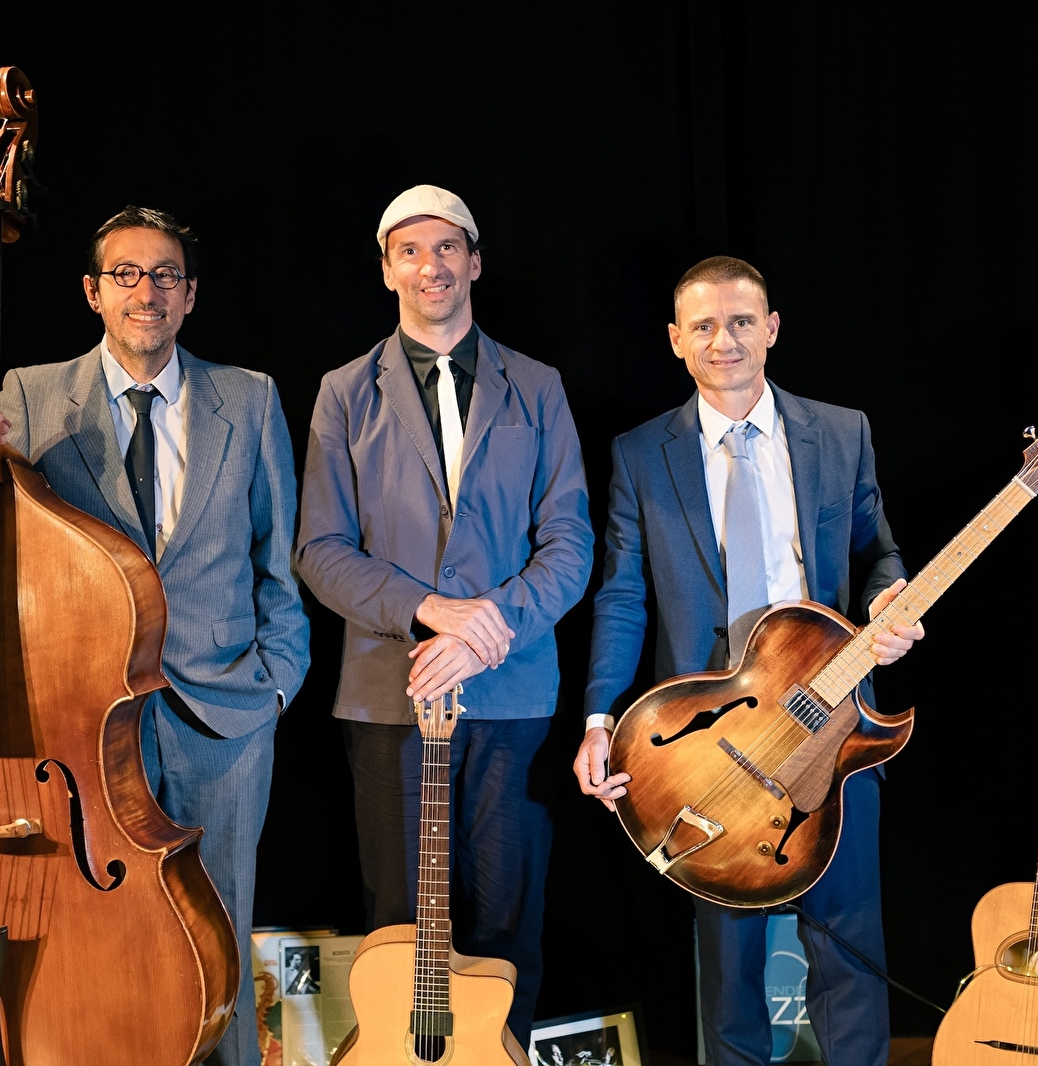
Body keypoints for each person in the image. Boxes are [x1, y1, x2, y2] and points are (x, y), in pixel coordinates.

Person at [0, 205, 310, 1066]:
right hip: (84, 725)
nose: (146, 292)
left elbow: (278, 561)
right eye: (126, 274)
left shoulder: (250, 397)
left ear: (190, 294)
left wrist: (276, 687)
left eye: (165, 275)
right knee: (98, 938)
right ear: (93, 292)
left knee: (219, 938)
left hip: (225, 722)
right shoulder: (29, 392)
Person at [572, 256, 924, 1066]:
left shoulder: (841, 432)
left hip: (832, 722)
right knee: (727, 968)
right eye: (702, 326)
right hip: (707, 743)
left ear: (770, 329)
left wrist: (889, 597)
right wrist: (599, 720)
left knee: (848, 946)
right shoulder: (640, 453)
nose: (722, 340)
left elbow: (878, 554)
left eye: (738, 322)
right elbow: (622, 595)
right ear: (675, 340)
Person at [296, 185, 593, 1044]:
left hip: (511, 695)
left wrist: (483, 634)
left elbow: (569, 543)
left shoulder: (536, 386)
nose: (431, 266)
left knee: (506, 922)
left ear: (474, 262)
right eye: (410, 251)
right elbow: (319, 548)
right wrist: (430, 611)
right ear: (387, 269)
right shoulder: (343, 392)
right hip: (387, 693)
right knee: (397, 927)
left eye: (447, 248)